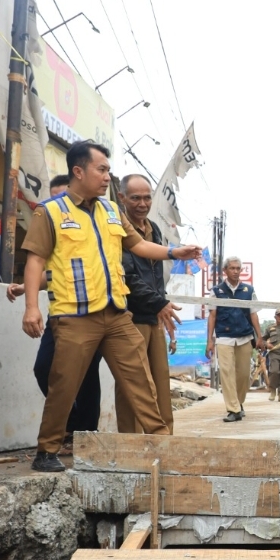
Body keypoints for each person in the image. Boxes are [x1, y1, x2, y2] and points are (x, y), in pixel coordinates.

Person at [19, 141, 201, 472]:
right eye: (101, 169)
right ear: (79, 171)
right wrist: (31, 306)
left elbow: (140, 245)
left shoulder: (112, 212)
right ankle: (47, 450)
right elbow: (35, 261)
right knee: (64, 384)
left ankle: (162, 444)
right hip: (74, 316)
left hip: (116, 315)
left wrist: (175, 252)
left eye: (108, 170)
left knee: (140, 381)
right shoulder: (51, 212)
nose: (107, 177)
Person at [6, 172, 104, 455]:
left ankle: (84, 435)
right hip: (60, 313)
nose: (61, 203)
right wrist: (28, 289)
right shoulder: (50, 224)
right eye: (56, 197)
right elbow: (46, 268)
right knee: (44, 368)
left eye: (65, 196)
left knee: (86, 375)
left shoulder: (88, 227)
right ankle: (72, 426)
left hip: (92, 311)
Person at [117, 174, 179, 434]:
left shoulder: (153, 227)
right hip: (130, 318)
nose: (142, 203)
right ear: (122, 198)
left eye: (147, 197)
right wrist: (158, 303)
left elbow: (157, 276)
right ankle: (130, 443)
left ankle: (166, 440)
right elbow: (128, 276)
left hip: (154, 316)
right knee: (132, 384)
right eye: (135, 198)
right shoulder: (118, 228)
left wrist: (160, 307)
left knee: (161, 382)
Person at [207, 256, 265, 422]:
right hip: (224, 338)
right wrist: (209, 340)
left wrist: (259, 337)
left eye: (238, 268)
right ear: (225, 271)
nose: (235, 271)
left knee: (244, 375)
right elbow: (212, 316)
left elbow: (253, 314)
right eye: (232, 268)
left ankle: (238, 404)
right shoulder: (216, 291)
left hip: (244, 337)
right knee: (227, 372)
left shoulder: (248, 290)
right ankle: (233, 409)